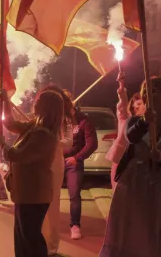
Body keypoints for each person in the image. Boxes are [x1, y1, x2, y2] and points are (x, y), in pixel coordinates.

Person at [99, 76, 161, 257]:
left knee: (152, 231)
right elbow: (132, 136)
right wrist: (145, 120)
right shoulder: (136, 121)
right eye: (145, 91)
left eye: (154, 90)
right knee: (128, 230)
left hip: (160, 188)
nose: (148, 94)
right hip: (133, 185)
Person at [0, 89, 62, 257]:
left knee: (30, 239)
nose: (35, 102)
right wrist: (6, 102)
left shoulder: (43, 134)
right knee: (22, 236)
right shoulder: (35, 126)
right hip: (26, 192)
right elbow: (11, 124)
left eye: (39, 101)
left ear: (46, 107)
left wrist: (4, 145)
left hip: (33, 194)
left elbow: (19, 155)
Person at [40, 85, 74, 256]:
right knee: (37, 204)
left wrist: (52, 141)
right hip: (37, 164)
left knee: (52, 205)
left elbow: (68, 142)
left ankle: (51, 246)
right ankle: (38, 243)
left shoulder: (64, 120)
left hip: (54, 164)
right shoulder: (38, 119)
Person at [63, 91, 98, 240]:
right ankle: (46, 224)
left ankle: (75, 225)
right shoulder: (57, 119)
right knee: (49, 193)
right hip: (55, 161)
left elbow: (92, 144)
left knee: (74, 194)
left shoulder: (83, 121)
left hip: (73, 163)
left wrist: (77, 158)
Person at [106, 71, 146, 190]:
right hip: (121, 157)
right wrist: (121, 85)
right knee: (118, 188)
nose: (137, 106)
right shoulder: (125, 117)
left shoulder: (149, 121)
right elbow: (123, 103)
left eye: (140, 103)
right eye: (135, 104)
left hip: (139, 160)